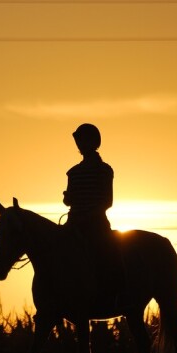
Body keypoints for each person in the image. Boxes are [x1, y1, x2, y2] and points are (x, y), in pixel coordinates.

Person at [62, 123, 124, 309]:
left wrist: (87, 215)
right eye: (78, 141)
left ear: (93, 142)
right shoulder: (73, 172)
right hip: (73, 224)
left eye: (82, 140)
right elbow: (70, 200)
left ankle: (120, 292)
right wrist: (68, 199)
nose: (79, 145)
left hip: (96, 224)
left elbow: (107, 201)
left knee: (111, 254)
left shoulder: (104, 170)